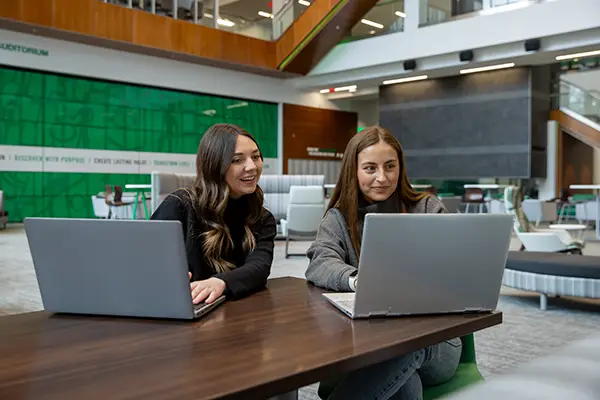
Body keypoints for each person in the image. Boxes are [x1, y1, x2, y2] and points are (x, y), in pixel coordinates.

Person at [306, 126, 462, 400]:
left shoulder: (427, 208)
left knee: (405, 347)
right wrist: (357, 280)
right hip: (367, 341)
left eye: (390, 166)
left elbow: (453, 267)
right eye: (370, 168)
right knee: (405, 384)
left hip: (435, 340)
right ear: (353, 171)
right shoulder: (339, 218)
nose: (382, 177)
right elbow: (321, 261)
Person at [151, 123, 276, 305]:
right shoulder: (180, 205)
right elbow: (146, 262)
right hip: (180, 309)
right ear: (215, 166)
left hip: (234, 313)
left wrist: (220, 282)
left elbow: (259, 267)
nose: (252, 167)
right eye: (237, 160)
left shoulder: (262, 218)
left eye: (255, 157)